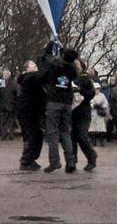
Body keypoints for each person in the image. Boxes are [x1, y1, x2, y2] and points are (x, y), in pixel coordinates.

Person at [40, 45, 77, 173]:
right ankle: (71, 161)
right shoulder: (73, 69)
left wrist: (51, 50)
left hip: (54, 101)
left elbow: (44, 72)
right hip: (67, 102)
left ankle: (54, 162)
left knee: (52, 133)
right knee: (65, 132)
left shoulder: (55, 65)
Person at [17, 59, 46, 169]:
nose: (35, 65)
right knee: (33, 135)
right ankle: (26, 160)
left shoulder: (29, 78)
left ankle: (29, 158)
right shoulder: (30, 77)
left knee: (35, 135)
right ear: (27, 69)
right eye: (33, 65)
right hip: (29, 112)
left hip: (31, 111)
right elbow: (43, 77)